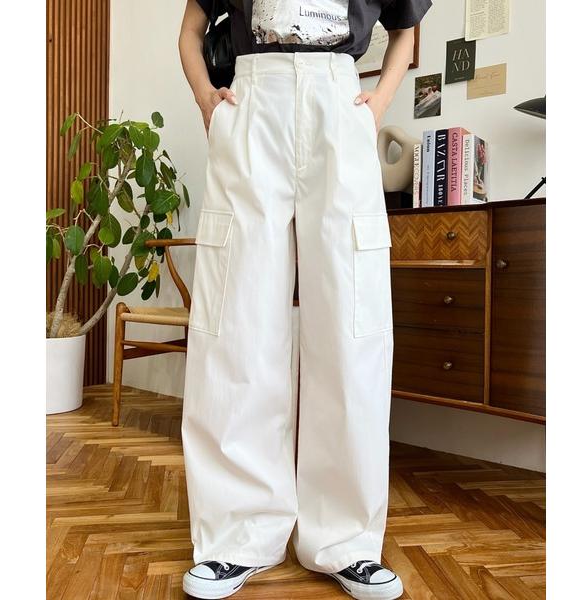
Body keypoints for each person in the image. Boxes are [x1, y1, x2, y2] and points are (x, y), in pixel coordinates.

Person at [178, 1, 432, 598]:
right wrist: (207, 101)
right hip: (251, 104)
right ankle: (236, 536)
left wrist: (378, 104)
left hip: (340, 106)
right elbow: (190, 30)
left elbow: (405, 28)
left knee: (351, 325)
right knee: (236, 322)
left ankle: (347, 540)